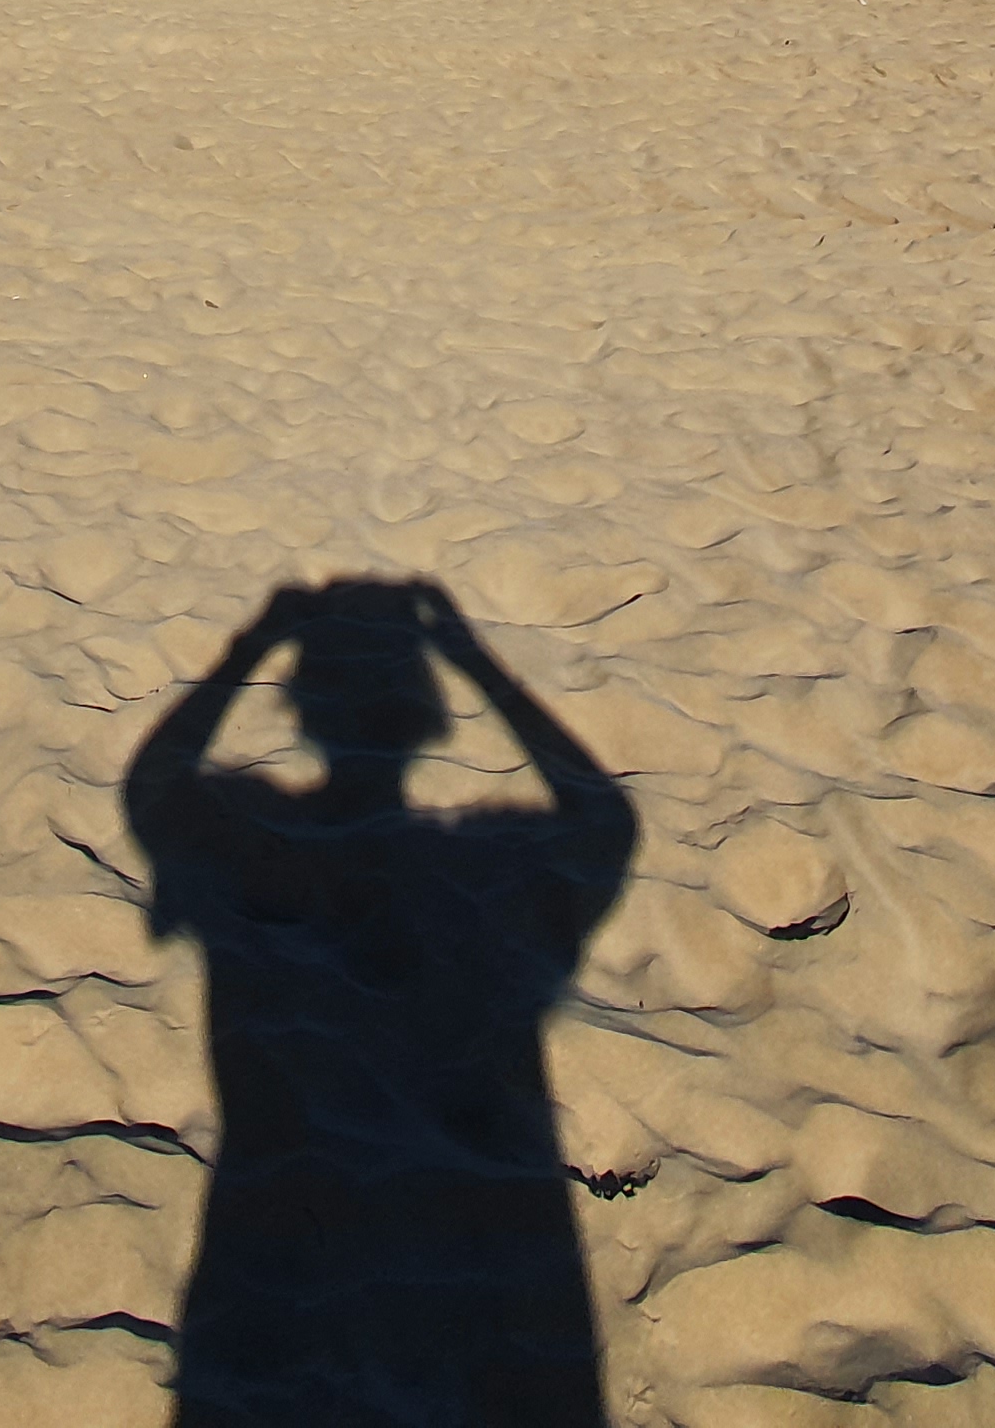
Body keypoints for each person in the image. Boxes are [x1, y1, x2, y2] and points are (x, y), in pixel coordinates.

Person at [125, 582, 629, 1426]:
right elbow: (606, 820)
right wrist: (475, 659)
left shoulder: (257, 854)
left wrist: (250, 645)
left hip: (270, 1256)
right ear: (427, 720)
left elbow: (152, 789)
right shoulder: (483, 870)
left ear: (301, 711)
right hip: (489, 1268)